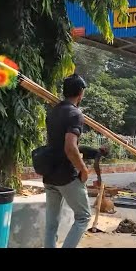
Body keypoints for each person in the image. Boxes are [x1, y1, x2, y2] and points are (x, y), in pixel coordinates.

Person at [44, 74, 91, 249]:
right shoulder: (75, 114)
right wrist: (83, 169)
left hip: (49, 174)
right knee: (83, 217)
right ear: (81, 93)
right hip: (66, 176)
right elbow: (70, 148)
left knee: (51, 224)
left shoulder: (53, 112)